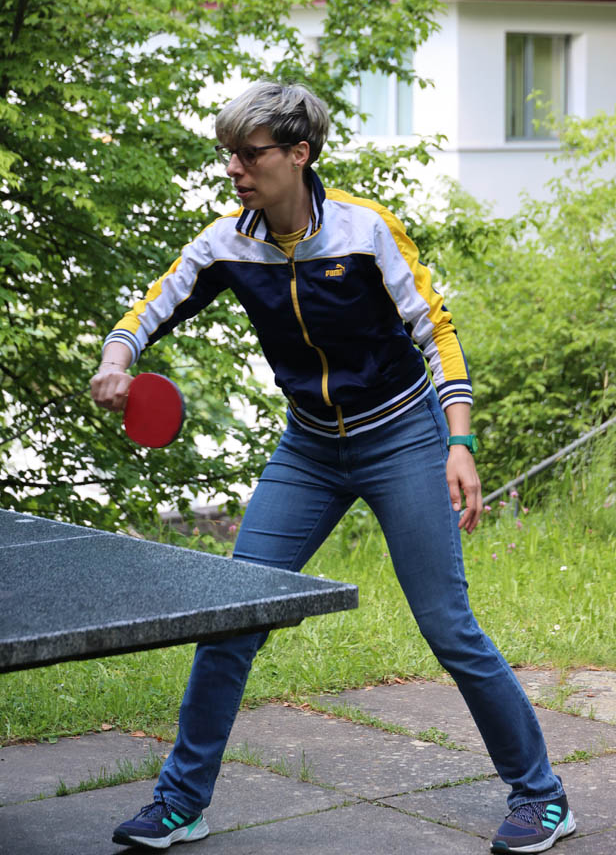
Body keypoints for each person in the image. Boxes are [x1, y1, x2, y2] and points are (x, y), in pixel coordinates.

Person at [91, 82, 575, 853]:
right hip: (309, 450)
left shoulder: (364, 230)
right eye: (227, 154)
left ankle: (541, 796)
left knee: (447, 627)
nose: (233, 169)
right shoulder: (226, 242)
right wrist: (117, 359)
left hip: (402, 440)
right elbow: (153, 303)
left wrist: (459, 443)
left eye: (249, 154)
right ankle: (180, 802)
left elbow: (437, 331)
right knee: (232, 620)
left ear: (298, 153)